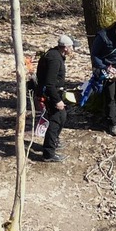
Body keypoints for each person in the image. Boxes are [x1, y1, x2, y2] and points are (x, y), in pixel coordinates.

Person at [34, 34, 76, 162]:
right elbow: (49, 83)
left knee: (61, 117)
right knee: (56, 120)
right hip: (50, 94)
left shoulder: (55, 54)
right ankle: (48, 153)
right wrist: (57, 100)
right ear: (65, 48)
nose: (73, 49)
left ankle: (54, 142)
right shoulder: (55, 60)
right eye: (71, 47)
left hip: (52, 92)